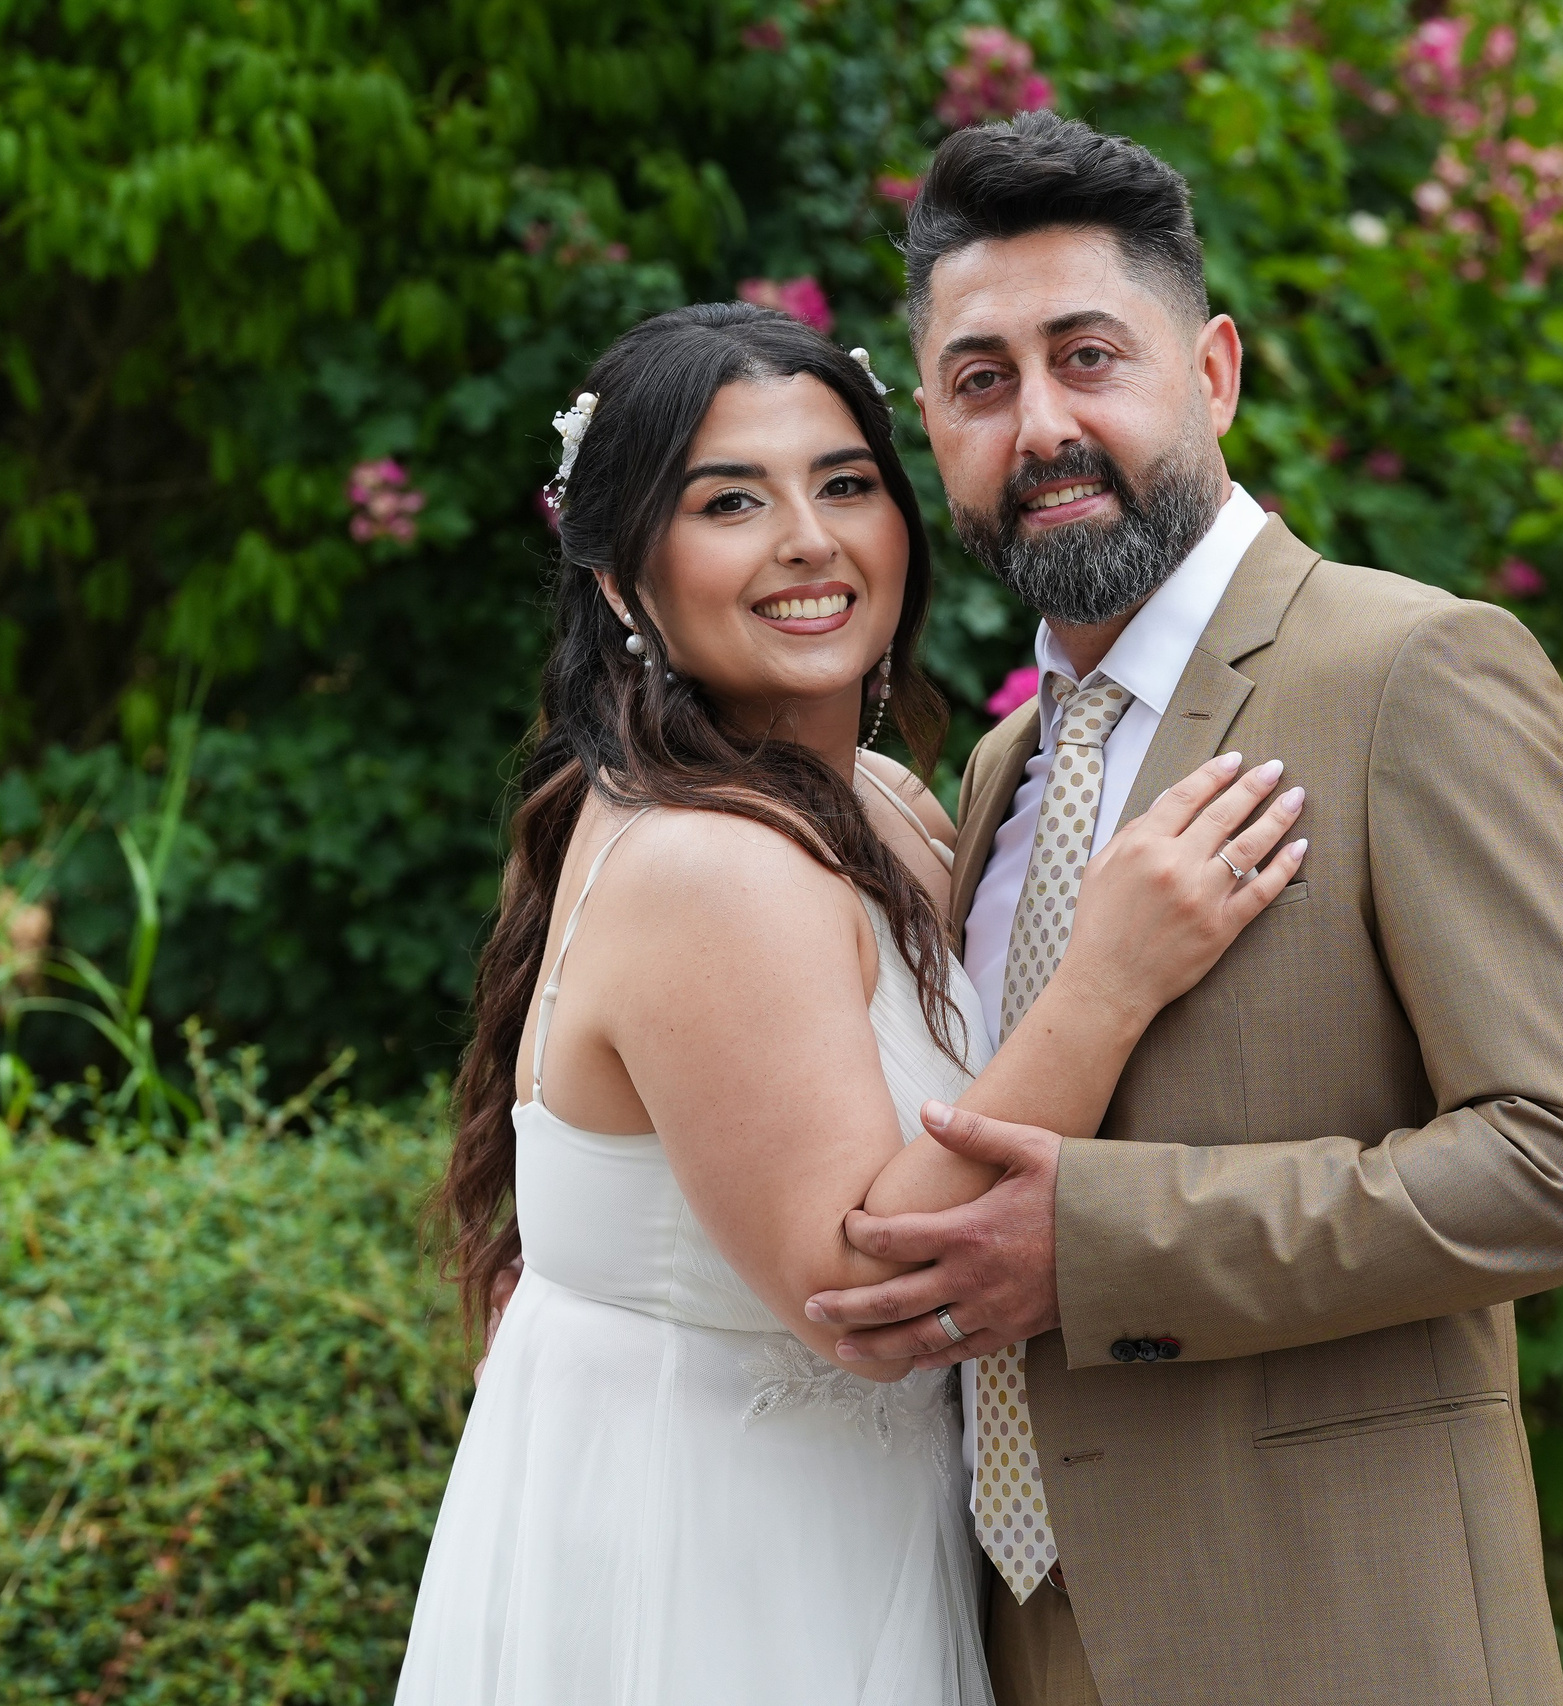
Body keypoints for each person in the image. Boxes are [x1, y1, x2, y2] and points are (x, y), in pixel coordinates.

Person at [801, 114, 1563, 1706]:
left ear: (1212, 371)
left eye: (1089, 356)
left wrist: (1099, 1246)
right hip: (1011, 1643)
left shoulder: (1412, 672)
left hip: (1336, 1636)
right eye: (983, 382)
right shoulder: (998, 770)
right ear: (934, 426)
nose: (1042, 423)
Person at [394, 301, 1308, 1705]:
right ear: (626, 582)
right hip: (724, 1572)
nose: (808, 539)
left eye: (844, 483)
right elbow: (863, 1286)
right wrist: (1112, 977)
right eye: (729, 501)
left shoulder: (869, 799)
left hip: (842, 1523)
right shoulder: (711, 863)